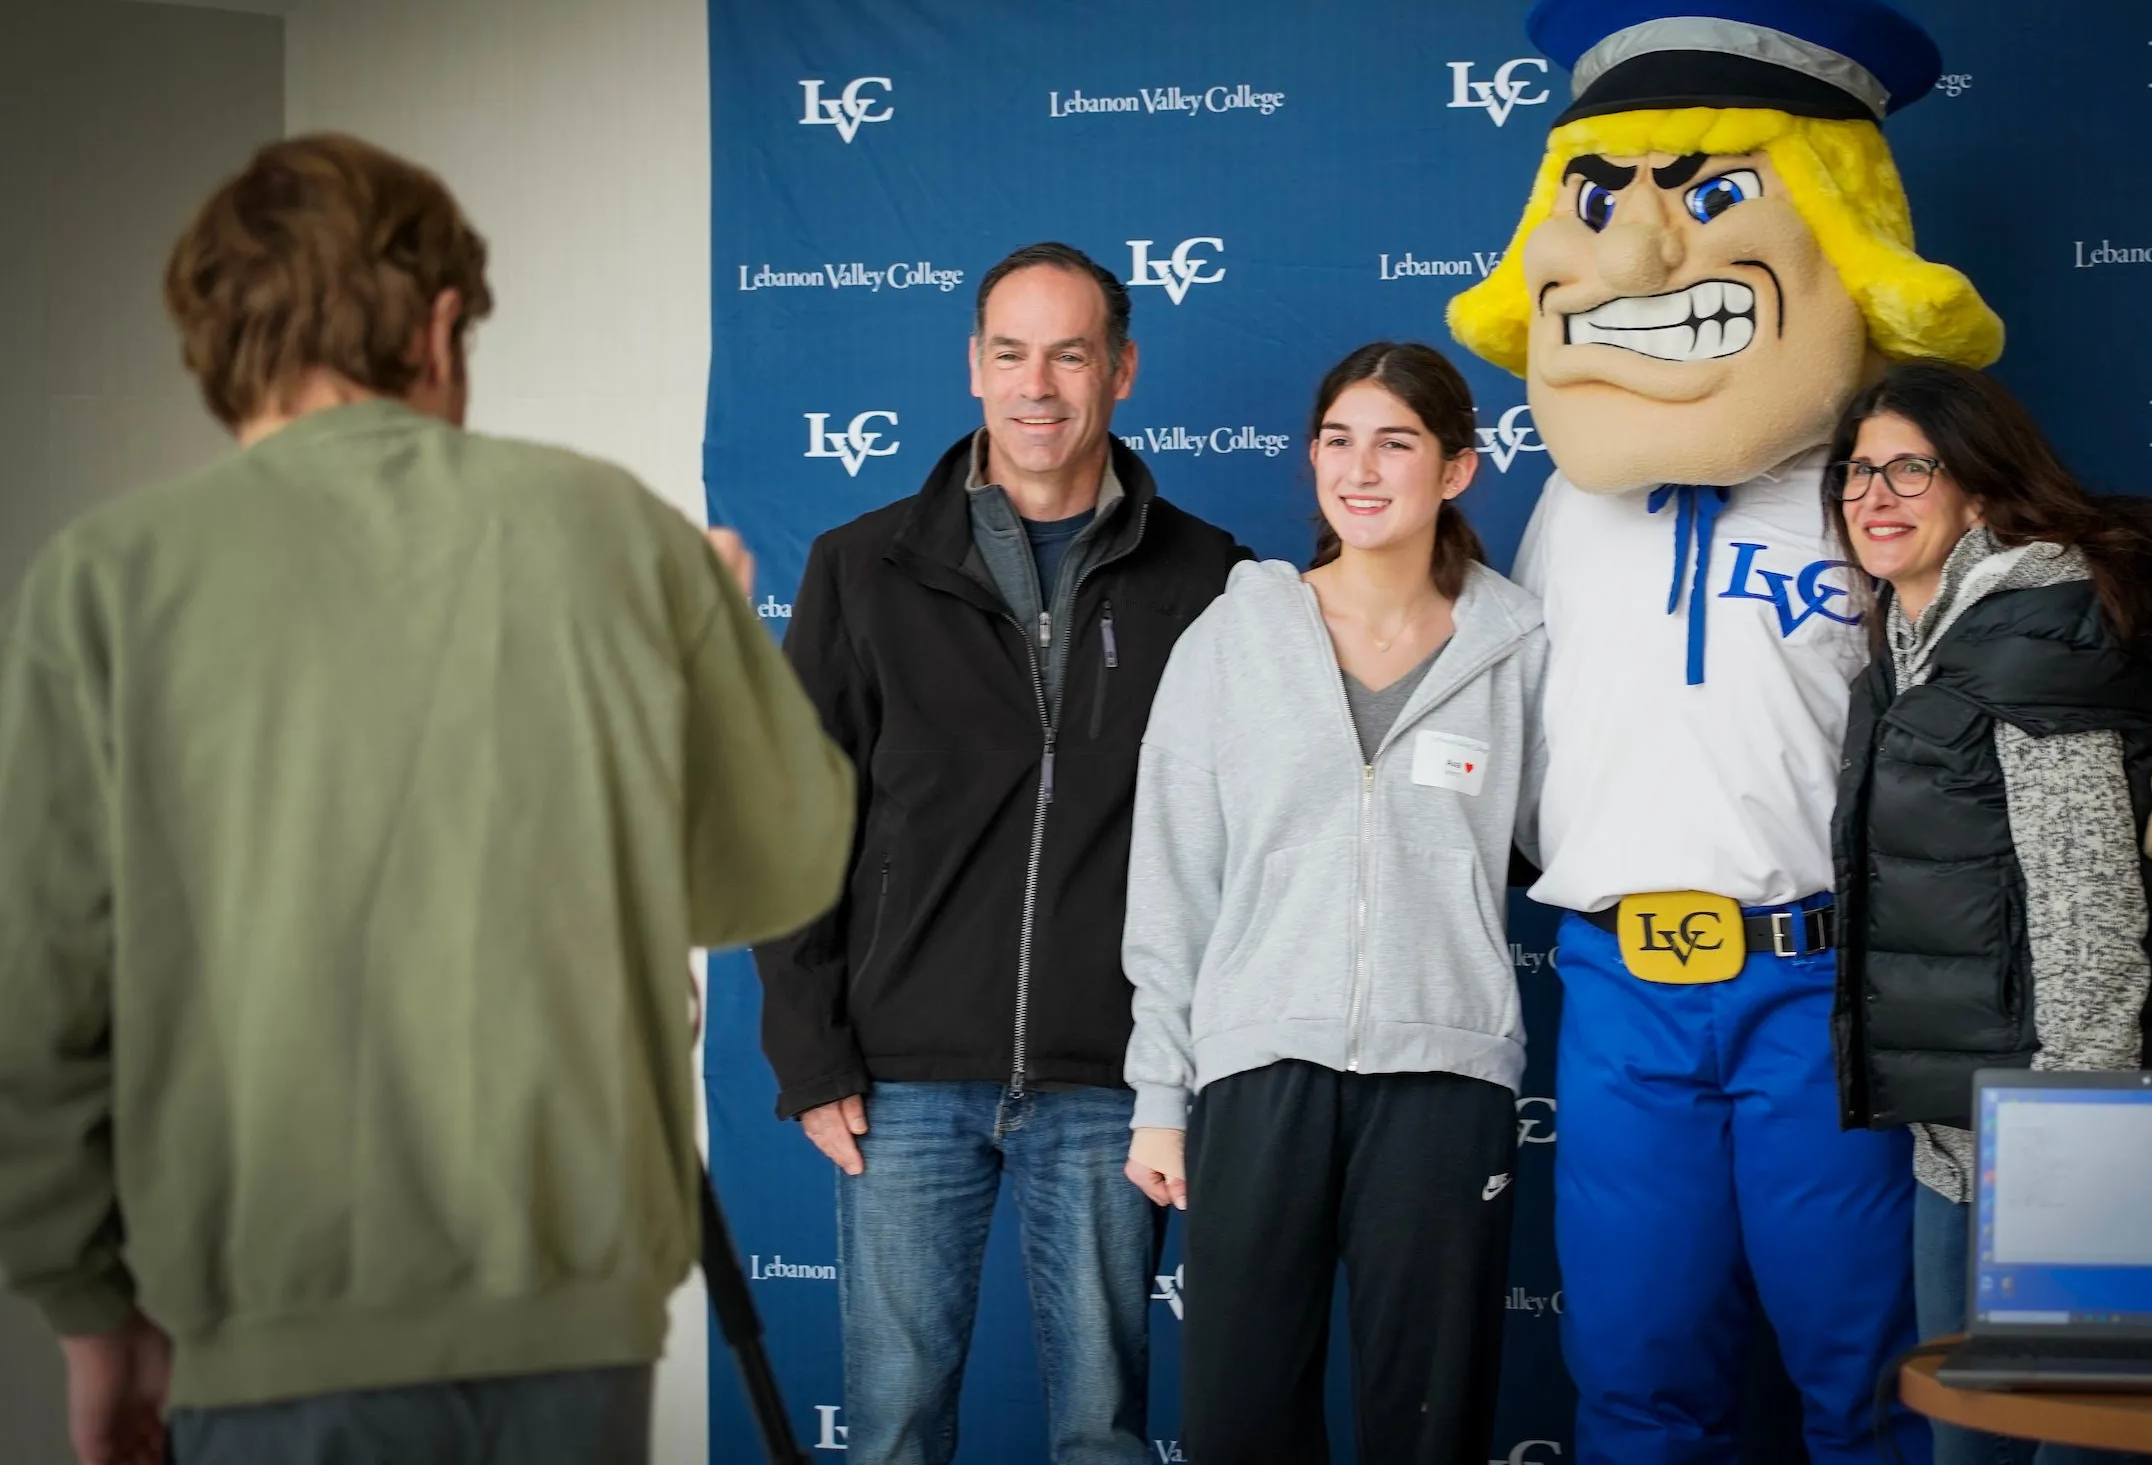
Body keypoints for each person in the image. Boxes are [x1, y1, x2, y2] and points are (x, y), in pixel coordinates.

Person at [1442, 0, 2152, 1464]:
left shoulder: (1880, 493)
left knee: (1866, 1374)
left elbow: (2027, 672)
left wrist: (2140, 787)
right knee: (1634, 1377)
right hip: (1615, 989)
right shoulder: (1562, 505)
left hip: (1821, 987)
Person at [0, 133, 855, 1465]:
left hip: (265, 1322)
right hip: (572, 1323)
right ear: (439, 321)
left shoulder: (104, 579)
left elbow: (42, 998)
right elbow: (775, 873)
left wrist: (92, 1318)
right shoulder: (615, 531)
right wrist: (717, 630)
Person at [755, 242, 1245, 1465]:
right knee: (895, 1429)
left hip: (1114, 1078)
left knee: (1102, 1432)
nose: (1040, 385)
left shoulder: (1216, 580)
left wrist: (1191, 1070)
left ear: (1121, 369)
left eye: (1070, 354)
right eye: (1012, 353)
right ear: (974, 367)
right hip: (901, 1077)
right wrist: (811, 1055)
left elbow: (1242, 845)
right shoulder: (859, 565)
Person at [1825, 359, 2152, 1465]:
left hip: (2057, 1140)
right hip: (1962, 1136)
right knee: (1967, 1441)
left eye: (1909, 468)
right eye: (1856, 470)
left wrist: (2073, 1140)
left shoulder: (2034, 629)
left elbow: (2084, 909)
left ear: (1977, 487)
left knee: (2066, 1443)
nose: (1873, 494)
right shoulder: (1919, 637)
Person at [1121, 340, 1546, 1463]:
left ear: (1456, 468)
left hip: (1445, 1078)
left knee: (1429, 1420)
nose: (1361, 470)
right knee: (1241, 1418)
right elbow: (1172, 877)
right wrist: (1162, 1092)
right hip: (1259, 1071)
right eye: (1339, 440)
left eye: (1396, 442)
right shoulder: (1233, 636)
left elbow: (1563, 836)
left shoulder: (1521, 645)